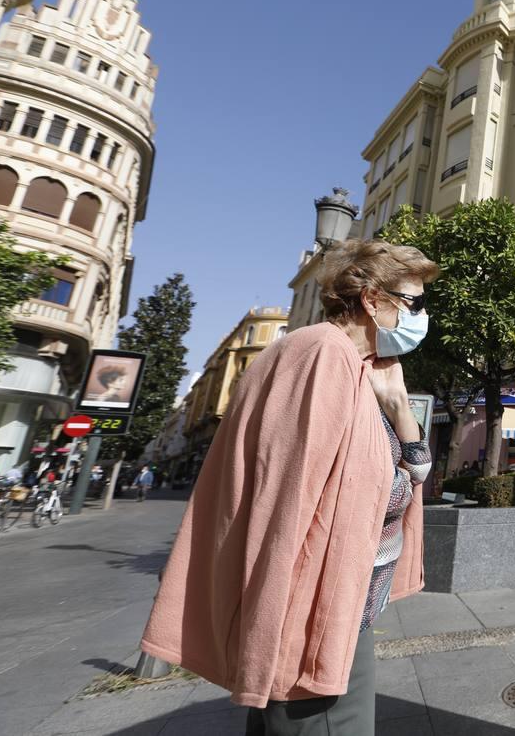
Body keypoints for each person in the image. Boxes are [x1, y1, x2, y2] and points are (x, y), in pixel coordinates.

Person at [139, 239, 439, 733]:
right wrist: (287, 623)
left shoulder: (365, 370)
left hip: (346, 599)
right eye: (414, 303)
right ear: (371, 299)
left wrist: (400, 406)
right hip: (312, 608)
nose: (421, 316)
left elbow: (418, 471)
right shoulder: (320, 355)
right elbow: (289, 502)